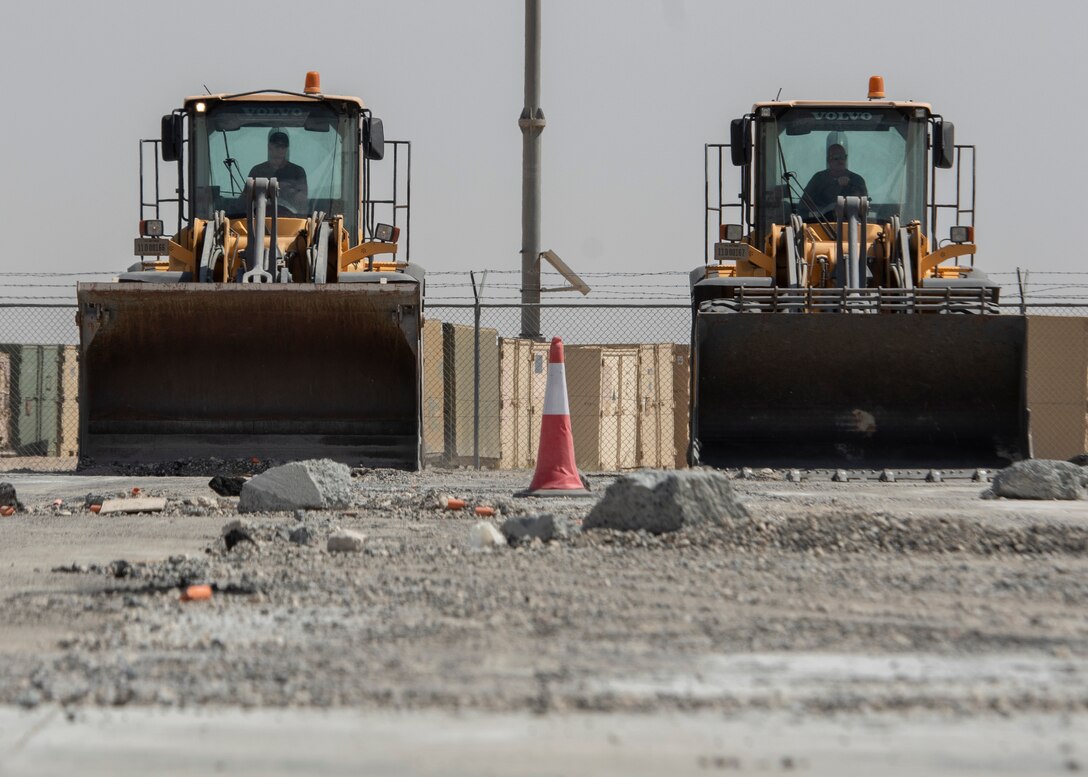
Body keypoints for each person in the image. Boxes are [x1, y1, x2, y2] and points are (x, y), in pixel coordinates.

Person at [799, 144, 867, 216]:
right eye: (836, 158)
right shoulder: (818, 179)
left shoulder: (857, 180)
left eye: (843, 157)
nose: (840, 161)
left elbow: (863, 205)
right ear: (828, 160)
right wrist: (822, 211)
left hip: (851, 223)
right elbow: (804, 203)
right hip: (821, 223)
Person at [249, 131, 308, 213]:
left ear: (287, 148)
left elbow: (302, 201)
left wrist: (289, 191)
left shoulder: (297, 172)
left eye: (283, 146)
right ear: (269, 146)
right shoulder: (257, 171)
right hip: (258, 218)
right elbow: (246, 200)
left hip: (293, 220)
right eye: (277, 146)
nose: (280, 149)